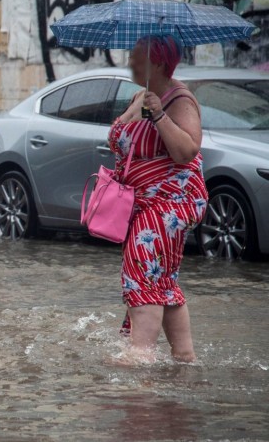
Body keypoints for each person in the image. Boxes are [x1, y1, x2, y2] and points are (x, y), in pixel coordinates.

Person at [108, 35, 208, 363]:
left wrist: (160, 115)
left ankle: (141, 356)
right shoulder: (141, 95)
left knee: (142, 270)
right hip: (142, 202)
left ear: (160, 63)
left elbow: (187, 151)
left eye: (137, 57)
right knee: (161, 279)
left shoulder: (180, 99)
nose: (131, 62)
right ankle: (184, 357)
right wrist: (140, 111)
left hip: (170, 202)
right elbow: (121, 138)